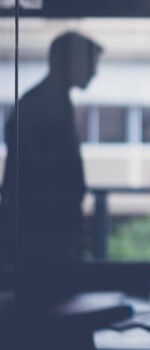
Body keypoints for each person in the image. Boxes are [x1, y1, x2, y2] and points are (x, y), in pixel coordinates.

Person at [0, 32, 102, 266]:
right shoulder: (40, 106)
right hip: (42, 234)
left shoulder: (48, 102)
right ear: (67, 62)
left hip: (45, 231)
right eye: (90, 63)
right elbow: (43, 176)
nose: (95, 72)